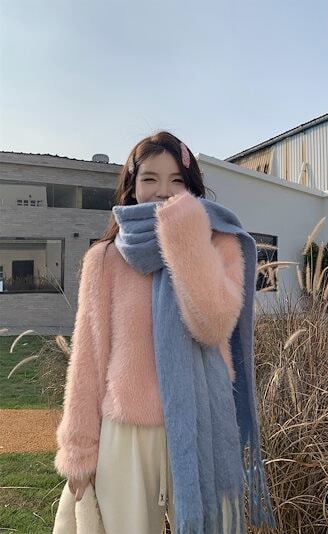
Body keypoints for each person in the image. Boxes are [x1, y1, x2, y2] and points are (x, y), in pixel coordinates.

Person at [54, 130, 276, 533]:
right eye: (150, 178)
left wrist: (185, 240)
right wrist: (79, 449)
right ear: (132, 186)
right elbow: (88, 356)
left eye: (177, 180)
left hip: (203, 423)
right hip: (129, 434)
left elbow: (213, 326)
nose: (162, 191)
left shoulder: (217, 245)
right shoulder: (104, 259)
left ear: (192, 188)